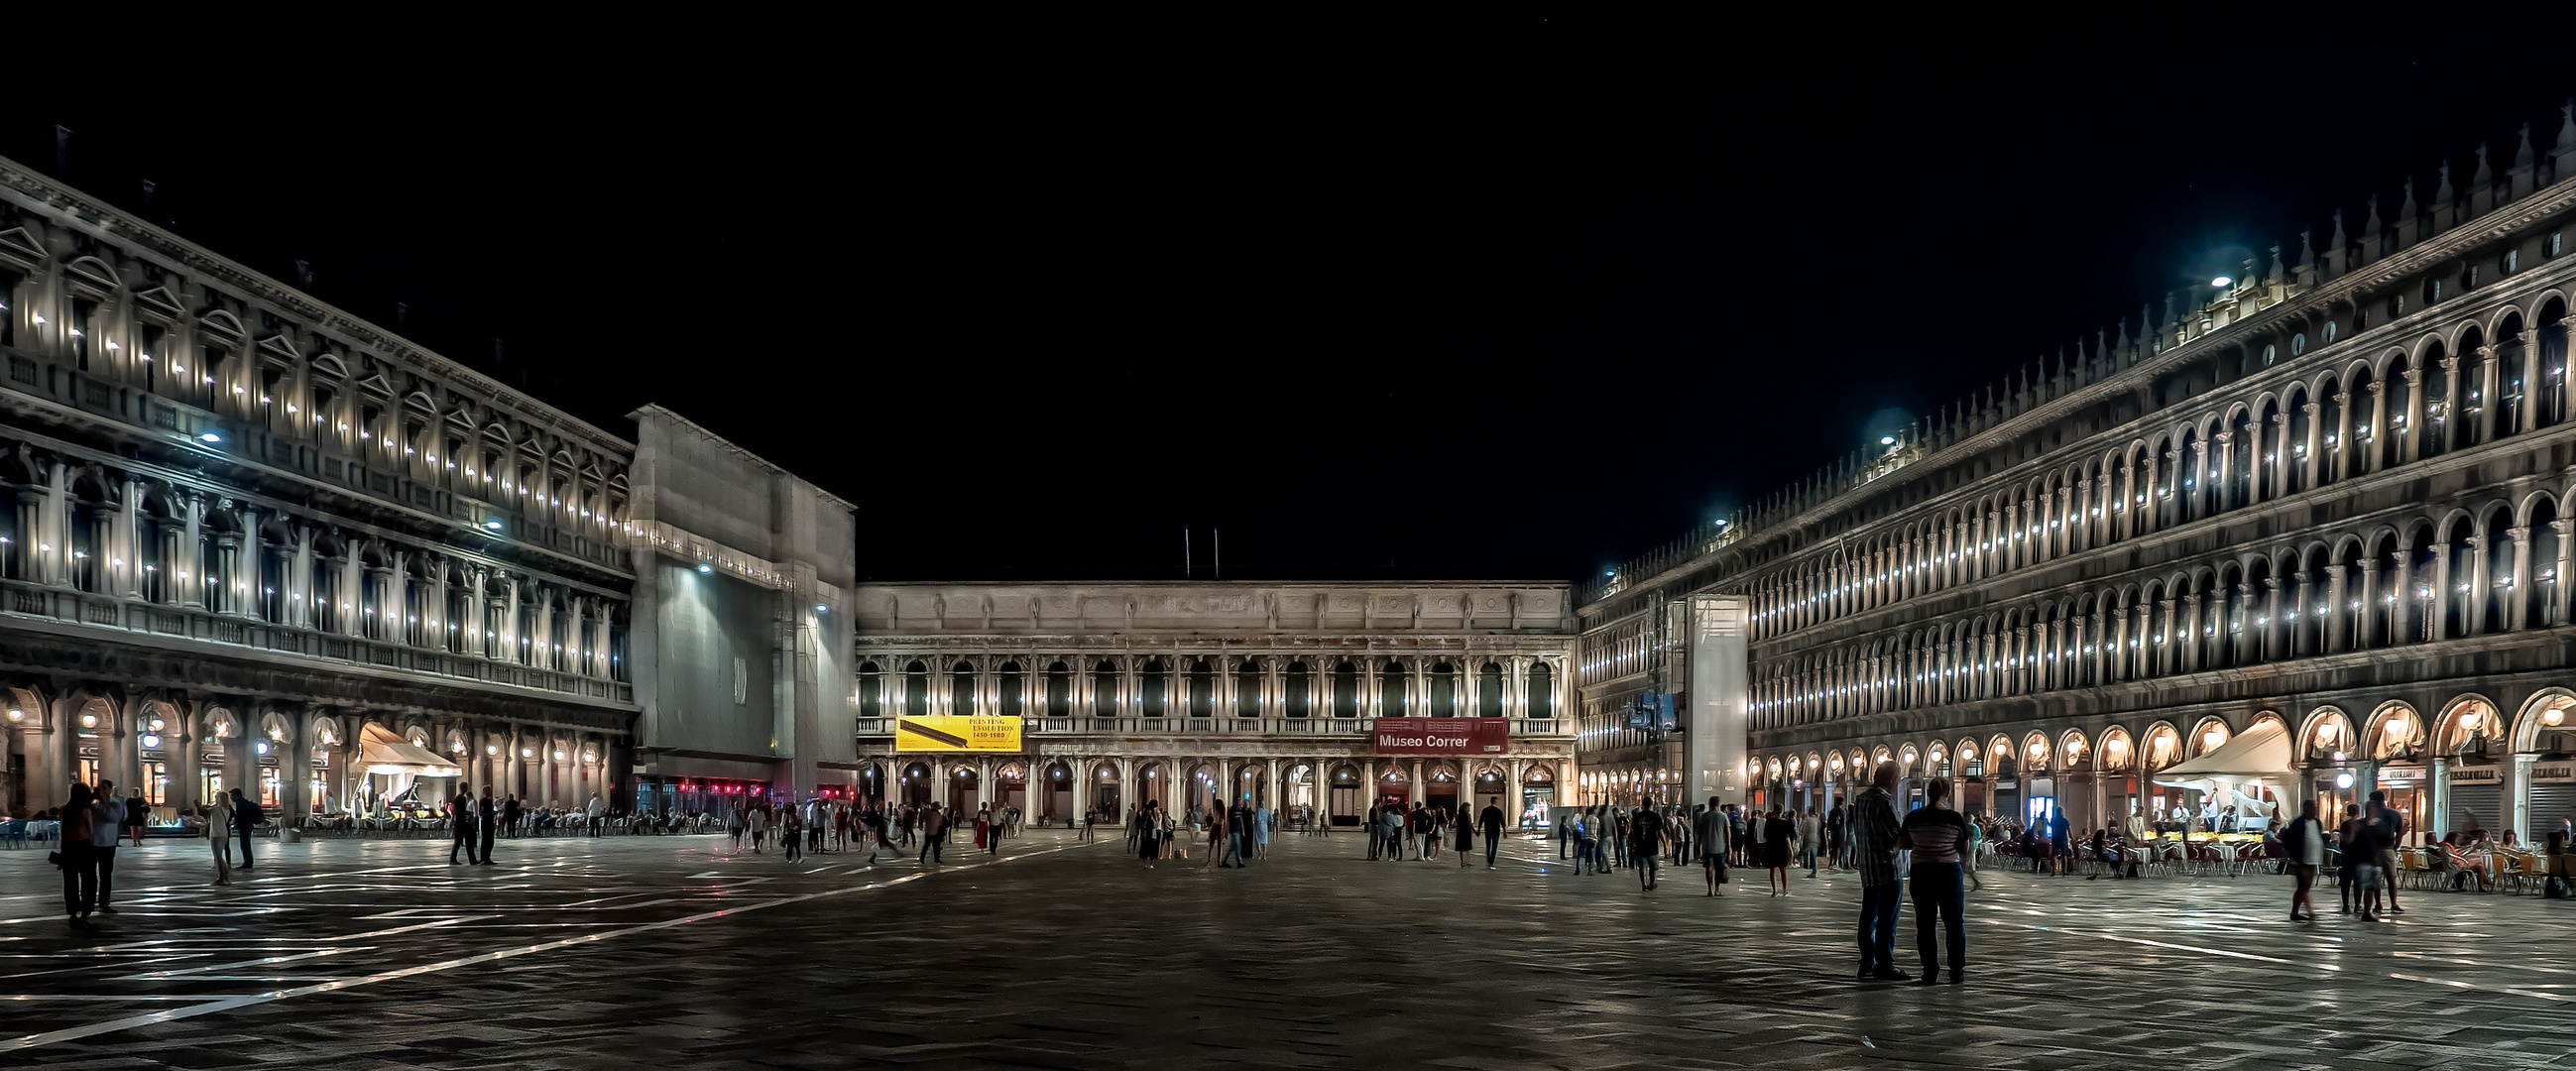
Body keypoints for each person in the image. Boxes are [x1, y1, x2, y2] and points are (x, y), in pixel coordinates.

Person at [1898, 777, 1970, 985]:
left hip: (1922, 872)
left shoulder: (1913, 817)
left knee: (1925, 922)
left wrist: (1923, 843)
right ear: (1946, 794)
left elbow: (1903, 843)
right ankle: (1956, 969)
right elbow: (1964, 849)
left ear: (1927, 792)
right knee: (1954, 922)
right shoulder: (1955, 818)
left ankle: (1930, 968)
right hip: (1949, 872)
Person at [1851, 761, 1908, 981]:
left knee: (1868, 917)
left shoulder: (1861, 800)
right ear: (1893, 780)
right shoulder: (1884, 801)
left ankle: (1867, 961)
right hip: (1888, 868)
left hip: (1868, 870)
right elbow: (1898, 835)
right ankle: (1884, 964)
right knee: (1887, 920)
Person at [58, 782, 100, 931]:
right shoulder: (85, 810)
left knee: (70, 881)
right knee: (89, 880)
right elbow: (91, 831)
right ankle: (85, 913)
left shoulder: (64, 810)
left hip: (68, 847)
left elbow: (63, 830)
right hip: (83, 846)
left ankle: (73, 913)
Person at [2281, 798, 2325, 921]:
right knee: (2303, 886)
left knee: (2305, 887)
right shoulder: (2298, 823)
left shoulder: (2317, 822)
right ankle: (2308, 911)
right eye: (2312, 808)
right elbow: (2289, 838)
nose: (2314, 811)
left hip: (2313, 859)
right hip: (2302, 859)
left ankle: (2296, 912)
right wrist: (2293, 854)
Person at [2367, 789, 2405, 914]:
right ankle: (2393, 904)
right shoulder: (2395, 814)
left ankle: (2378, 904)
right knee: (2391, 877)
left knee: (2376, 877)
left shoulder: (2374, 813)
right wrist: (2395, 847)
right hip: (2388, 848)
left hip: (2374, 849)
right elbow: (2399, 834)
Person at [89, 780, 123, 914]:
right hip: (93, 842)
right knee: (90, 875)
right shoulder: (94, 805)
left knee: (106, 875)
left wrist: (105, 802)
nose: (101, 790)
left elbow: (114, 818)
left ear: (110, 789)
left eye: (104, 788)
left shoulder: (116, 804)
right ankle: (89, 901)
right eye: (100, 788)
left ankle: (104, 902)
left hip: (108, 843)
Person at [1695, 796, 1729, 895]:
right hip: (1720, 847)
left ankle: (1710, 889)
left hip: (1707, 846)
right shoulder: (1723, 816)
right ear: (1718, 804)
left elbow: (1700, 832)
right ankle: (1717, 890)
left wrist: (1699, 845)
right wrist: (1729, 846)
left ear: (1710, 804)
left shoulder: (1704, 816)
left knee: (1708, 868)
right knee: (1719, 869)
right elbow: (1728, 832)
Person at [1630, 803, 1665, 891]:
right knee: (1652, 867)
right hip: (1652, 845)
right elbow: (1660, 831)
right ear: (1651, 805)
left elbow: (1633, 832)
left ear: (1643, 805)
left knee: (1641, 867)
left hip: (1640, 844)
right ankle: (1651, 884)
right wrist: (1665, 845)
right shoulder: (1656, 816)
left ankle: (1643, 884)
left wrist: (1633, 844)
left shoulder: (1637, 816)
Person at [206, 788, 234, 886]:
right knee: (220, 856)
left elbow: (203, 812)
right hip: (224, 833)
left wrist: (196, 804)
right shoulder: (227, 809)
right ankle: (225, 876)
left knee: (218, 857)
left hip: (216, 834)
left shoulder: (216, 809)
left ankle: (222, 877)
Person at [230, 787, 261, 870]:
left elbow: (242, 816)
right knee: (246, 843)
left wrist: (237, 822)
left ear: (237, 795)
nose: (231, 797)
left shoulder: (240, 803)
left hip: (245, 825)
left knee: (245, 844)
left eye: (232, 795)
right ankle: (248, 861)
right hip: (248, 825)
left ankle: (248, 862)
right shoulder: (244, 802)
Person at [449, 785, 476, 865]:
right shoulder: (462, 798)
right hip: (462, 821)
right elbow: (460, 811)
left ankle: (453, 859)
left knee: (458, 841)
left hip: (459, 821)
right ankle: (472, 859)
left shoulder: (458, 798)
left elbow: (455, 811)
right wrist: (467, 813)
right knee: (467, 840)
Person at [1479, 798, 1506, 870]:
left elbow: (1481, 820)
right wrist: (1505, 831)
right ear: (1496, 802)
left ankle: (1488, 860)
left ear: (1490, 801)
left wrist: (1478, 829)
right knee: (1494, 846)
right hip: (1496, 830)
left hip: (1488, 829)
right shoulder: (1498, 811)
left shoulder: (1485, 810)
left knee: (1488, 845)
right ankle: (1491, 862)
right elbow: (1502, 821)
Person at [475, 786, 498, 866]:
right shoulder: (483, 801)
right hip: (486, 822)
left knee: (490, 840)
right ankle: (484, 858)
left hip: (490, 822)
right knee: (486, 840)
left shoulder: (490, 800)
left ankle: (487, 857)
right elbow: (481, 812)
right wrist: (490, 814)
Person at [1799, 807, 1821, 879]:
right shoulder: (1817, 821)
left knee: (1806, 853)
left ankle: (1806, 865)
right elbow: (1819, 830)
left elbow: (1805, 831)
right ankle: (1814, 870)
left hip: (1809, 839)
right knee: (1814, 856)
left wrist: (1804, 841)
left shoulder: (1807, 821)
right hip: (1816, 839)